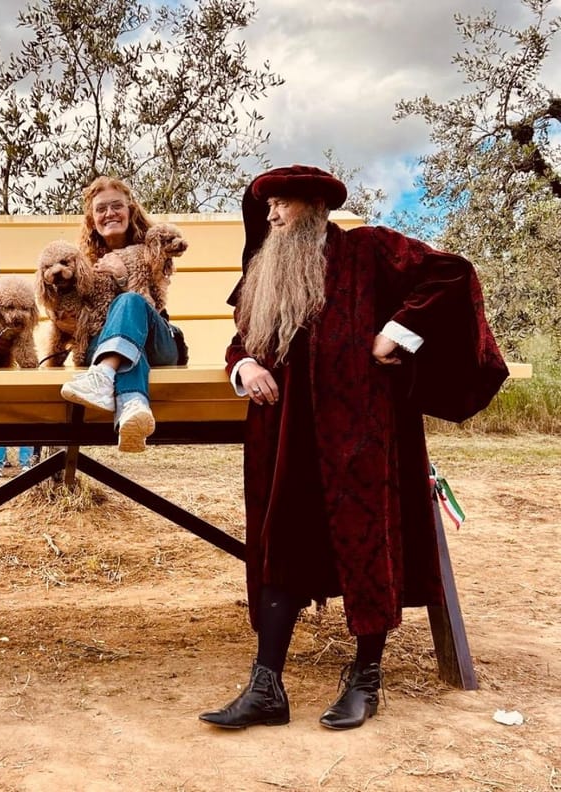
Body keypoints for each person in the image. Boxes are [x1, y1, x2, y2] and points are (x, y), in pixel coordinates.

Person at [199, 165, 507, 731]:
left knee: (368, 540)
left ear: (315, 206)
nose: (272, 215)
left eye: (283, 204)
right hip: (284, 430)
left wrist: (398, 331)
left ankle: (365, 678)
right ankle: (266, 687)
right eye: (268, 206)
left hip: (360, 427)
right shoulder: (265, 267)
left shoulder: (369, 249)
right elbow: (241, 338)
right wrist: (243, 366)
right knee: (281, 540)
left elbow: (453, 274)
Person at [59, 177, 182, 452]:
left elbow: (153, 305)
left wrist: (124, 277)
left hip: (158, 343)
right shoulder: (82, 263)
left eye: (117, 206)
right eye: (101, 209)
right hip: (104, 346)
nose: (110, 213)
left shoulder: (152, 250)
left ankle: (102, 376)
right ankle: (133, 409)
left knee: (130, 301)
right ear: (92, 219)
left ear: (130, 210)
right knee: (126, 352)